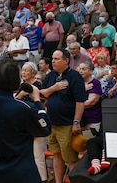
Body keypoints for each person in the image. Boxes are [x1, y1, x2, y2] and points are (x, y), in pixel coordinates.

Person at [0, 59, 50, 183]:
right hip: (21, 172)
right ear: (16, 81)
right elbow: (45, 129)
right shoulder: (24, 108)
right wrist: (37, 102)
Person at [40, 49, 86, 183]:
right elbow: (42, 94)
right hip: (52, 123)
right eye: (52, 59)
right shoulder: (51, 75)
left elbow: (80, 101)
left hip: (67, 124)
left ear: (66, 60)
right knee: (56, 155)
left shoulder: (74, 76)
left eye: (56, 59)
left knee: (71, 158)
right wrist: (54, 88)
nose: (53, 61)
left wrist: (76, 122)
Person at [16, 62, 49, 183]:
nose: (23, 73)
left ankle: (42, 179)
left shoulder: (38, 85)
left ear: (33, 73)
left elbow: (43, 100)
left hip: (36, 120)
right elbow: (15, 101)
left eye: (26, 70)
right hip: (22, 122)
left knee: (38, 153)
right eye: (22, 70)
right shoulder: (21, 86)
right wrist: (22, 93)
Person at [77, 62, 102, 133]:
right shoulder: (77, 83)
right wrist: (82, 89)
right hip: (77, 120)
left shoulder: (95, 83)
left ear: (91, 71)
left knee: (90, 142)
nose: (81, 71)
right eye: (80, 69)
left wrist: (72, 105)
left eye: (83, 69)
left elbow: (90, 103)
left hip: (92, 120)